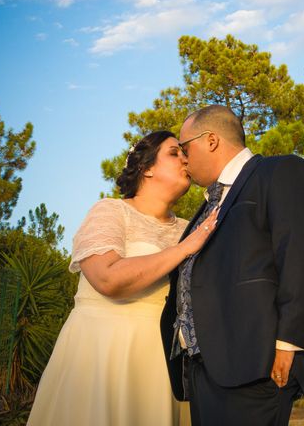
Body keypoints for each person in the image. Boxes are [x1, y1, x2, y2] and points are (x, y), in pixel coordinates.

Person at [28, 131, 217, 426]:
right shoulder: (111, 211)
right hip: (102, 355)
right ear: (146, 168)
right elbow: (107, 279)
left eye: (185, 154)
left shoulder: (189, 228)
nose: (185, 158)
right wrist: (183, 249)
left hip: (162, 364)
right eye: (173, 153)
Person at [161, 105, 304, 425]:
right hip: (202, 370)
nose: (182, 158)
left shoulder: (279, 172)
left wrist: (288, 344)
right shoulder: (208, 204)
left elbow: (299, 260)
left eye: (184, 148)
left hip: (255, 366)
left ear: (211, 140)